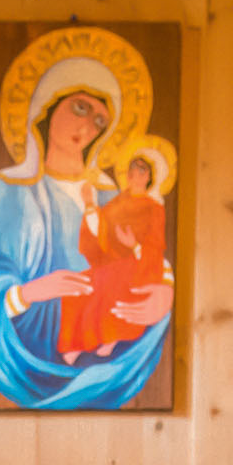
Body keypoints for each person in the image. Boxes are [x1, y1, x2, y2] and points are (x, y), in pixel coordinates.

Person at [0, 31, 175, 410]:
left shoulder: (112, 192)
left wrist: (165, 293)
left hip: (114, 355)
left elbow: (146, 248)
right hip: (30, 348)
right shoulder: (10, 191)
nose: (90, 127)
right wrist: (31, 292)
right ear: (47, 106)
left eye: (99, 120)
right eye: (80, 108)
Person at [59, 141, 169, 363]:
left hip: (137, 268)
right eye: (131, 169)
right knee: (75, 289)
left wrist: (133, 246)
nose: (134, 174)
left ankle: (107, 338)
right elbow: (98, 234)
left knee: (104, 285)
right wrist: (90, 205)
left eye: (141, 170)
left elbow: (155, 247)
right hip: (109, 264)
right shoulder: (118, 203)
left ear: (150, 177)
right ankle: (75, 344)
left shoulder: (154, 209)